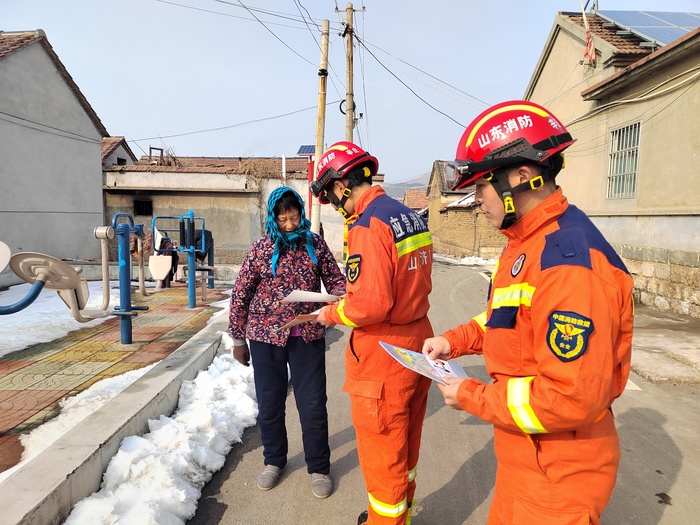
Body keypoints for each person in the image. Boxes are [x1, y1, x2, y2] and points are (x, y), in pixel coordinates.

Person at [422, 100, 634, 524]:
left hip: (557, 475)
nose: (476, 199)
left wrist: (471, 395)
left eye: (481, 186)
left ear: (522, 176)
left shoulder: (568, 263)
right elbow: (507, 319)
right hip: (529, 459)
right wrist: (454, 341)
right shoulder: (528, 244)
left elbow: (570, 396)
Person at [311, 141, 434, 525]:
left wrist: (329, 313)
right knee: (405, 447)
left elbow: (369, 306)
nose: (333, 204)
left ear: (343, 183)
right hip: (416, 342)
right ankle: (403, 515)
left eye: (330, 195)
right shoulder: (408, 216)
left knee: (383, 455)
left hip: (384, 356)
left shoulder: (367, 225)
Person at [228, 186, 346, 499]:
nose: (290, 225)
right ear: (273, 218)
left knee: (312, 405)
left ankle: (319, 467)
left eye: (294, 217)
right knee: (269, 405)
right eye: (284, 220)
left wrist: (339, 305)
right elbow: (241, 293)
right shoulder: (261, 248)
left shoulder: (314, 243)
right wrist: (238, 339)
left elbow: (336, 281)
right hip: (265, 337)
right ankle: (273, 461)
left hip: (306, 335)